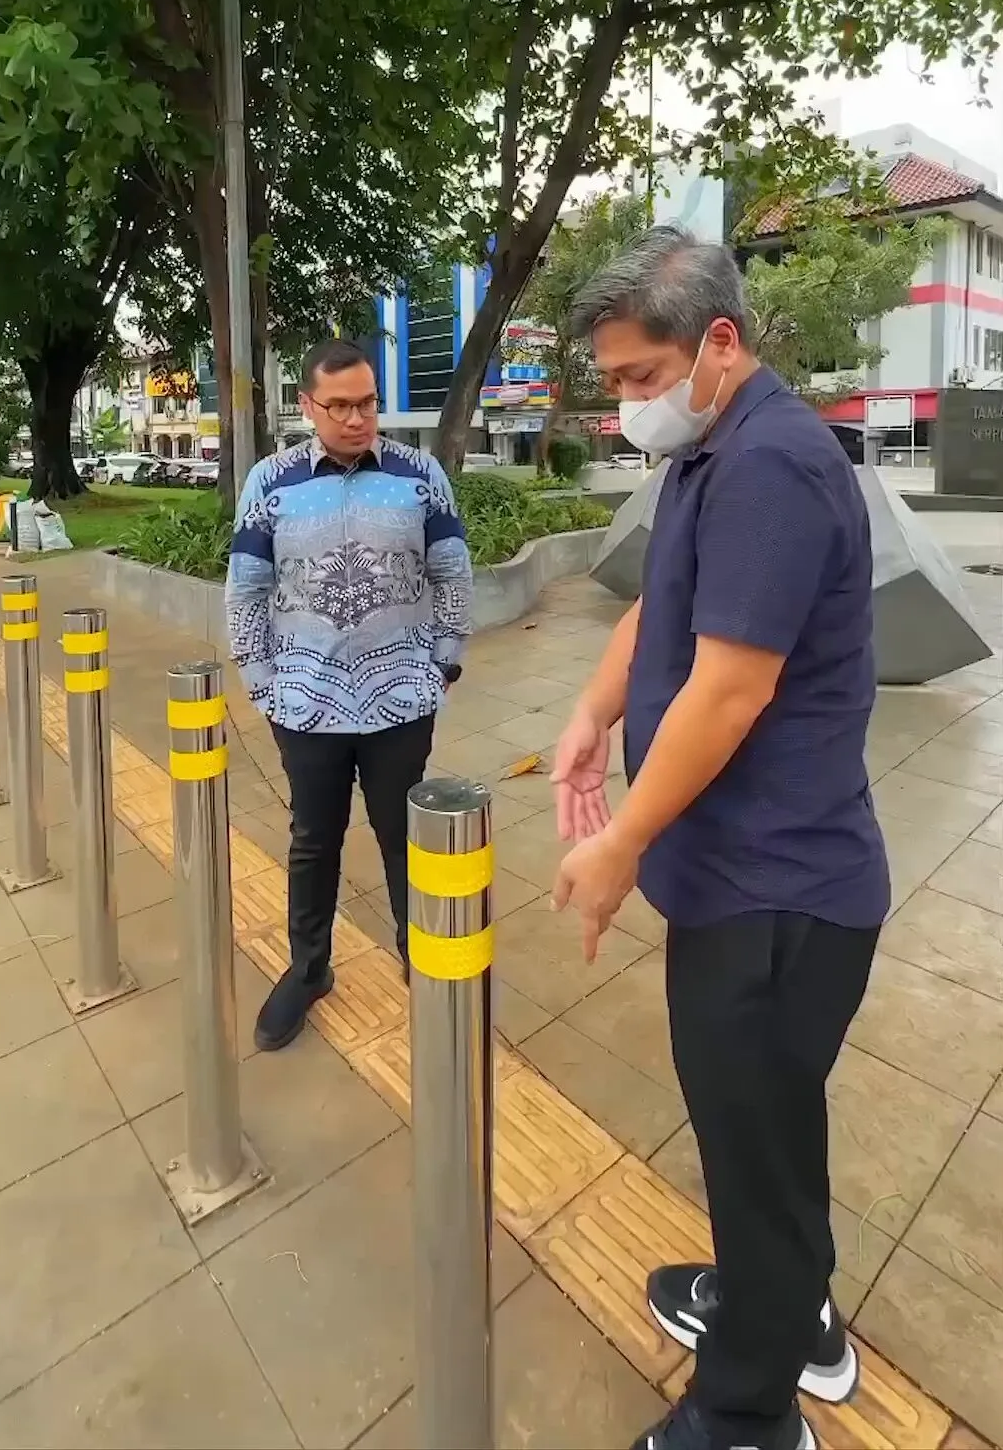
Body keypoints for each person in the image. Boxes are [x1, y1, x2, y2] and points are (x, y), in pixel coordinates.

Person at [549, 227, 888, 1450]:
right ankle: (784, 1307)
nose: (627, 406)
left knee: (754, 1145)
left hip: (776, 897)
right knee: (764, 1132)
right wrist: (591, 714)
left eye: (641, 377)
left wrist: (621, 841)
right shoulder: (711, 451)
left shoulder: (772, 466)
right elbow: (660, 606)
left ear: (720, 344)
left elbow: (731, 689)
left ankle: (747, 1414)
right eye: (615, 384)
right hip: (745, 884)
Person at [225, 338, 472, 1050]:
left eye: (367, 402)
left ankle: (420, 955)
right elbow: (247, 587)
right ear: (307, 406)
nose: (357, 418)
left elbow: (452, 572)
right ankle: (308, 969)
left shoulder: (420, 475)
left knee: (403, 835)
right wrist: (260, 679)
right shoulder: (270, 482)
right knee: (314, 838)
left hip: (402, 699)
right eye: (339, 406)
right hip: (305, 703)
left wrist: (444, 662)